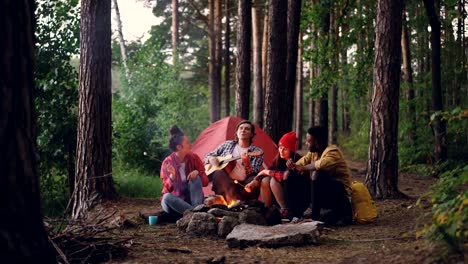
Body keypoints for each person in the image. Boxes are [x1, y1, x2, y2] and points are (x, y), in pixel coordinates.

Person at [287, 126, 353, 225]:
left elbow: (321, 164)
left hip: (339, 195)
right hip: (323, 193)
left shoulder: (333, 152)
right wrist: (293, 165)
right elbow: (301, 163)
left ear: (318, 142)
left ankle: (315, 216)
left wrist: (303, 168)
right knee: (290, 174)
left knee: (317, 173)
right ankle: (295, 213)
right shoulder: (313, 153)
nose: (306, 144)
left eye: (309, 141)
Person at [245, 131, 310, 219]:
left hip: (296, 198)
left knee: (273, 180)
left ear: (291, 150)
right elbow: (268, 171)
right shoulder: (279, 159)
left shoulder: (298, 160)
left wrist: (266, 172)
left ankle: (285, 210)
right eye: (280, 147)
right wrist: (255, 181)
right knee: (265, 180)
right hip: (280, 194)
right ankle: (267, 210)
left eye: (285, 149)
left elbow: (285, 176)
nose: (281, 151)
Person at [205, 120, 264, 203]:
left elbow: (254, 172)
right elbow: (209, 156)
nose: (243, 130)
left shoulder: (257, 151)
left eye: (247, 129)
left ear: (251, 134)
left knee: (254, 179)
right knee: (218, 173)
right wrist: (212, 159)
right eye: (241, 128)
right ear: (236, 132)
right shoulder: (227, 145)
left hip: (244, 185)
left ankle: (240, 202)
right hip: (227, 183)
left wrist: (246, 162)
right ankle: (229, 201)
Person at [160, 125, 209, 220]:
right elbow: (166, 190)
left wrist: (198, 172)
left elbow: (206, 182)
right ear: (179, 147)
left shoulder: (194, 158)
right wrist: (172, 177)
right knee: (166, 197)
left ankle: (195, 212)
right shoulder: (167, 163)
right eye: (187, 143)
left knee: (196, 178)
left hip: (192, 202)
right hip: (175, 205)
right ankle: (197, 213)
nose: (190, 144)